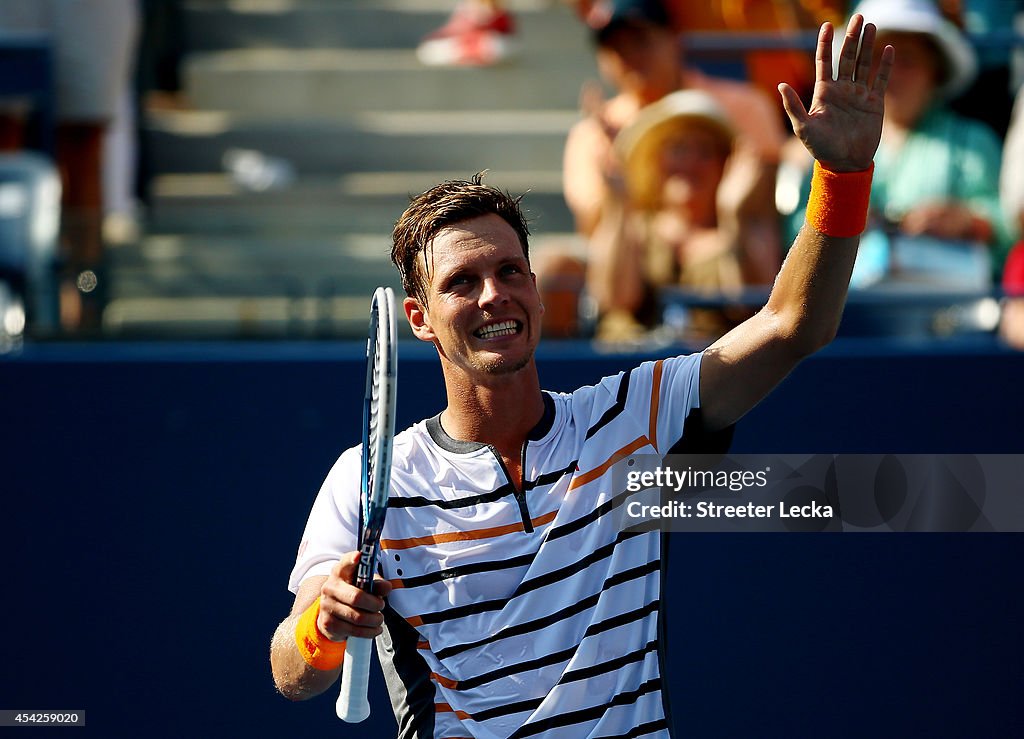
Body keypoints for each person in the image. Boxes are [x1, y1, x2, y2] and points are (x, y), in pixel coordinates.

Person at [270, 15, 893, 737]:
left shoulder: (634, 415)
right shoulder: (366, 477)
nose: (493, 295)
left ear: (537, 289)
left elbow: (794, 324)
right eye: (462, 283)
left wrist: (842, 175)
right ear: (419, 317)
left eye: (510, 272)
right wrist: (324, 621)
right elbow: (291, 670)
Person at [783, 0, 1012, 287]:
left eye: (907, 61)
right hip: (846, 310)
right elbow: (794, 231)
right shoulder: (830, 141)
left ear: (935, 72)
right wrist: (843, 211)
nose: (890, 74)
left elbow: (1010, 228)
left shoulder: (972, 140)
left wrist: (967, 221)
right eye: (876, 58)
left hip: (946, 317)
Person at [587, 90, 781, 340]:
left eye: (704, 151)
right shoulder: (635, 224)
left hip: (711, 373)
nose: (690, 162)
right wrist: (620, 203)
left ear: (726, 164)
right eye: (678, 149)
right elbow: (615, 298)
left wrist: (732, 213)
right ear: (656, 161)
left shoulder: (745, 227)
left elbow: (753, 310)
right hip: (628, 369)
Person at [416, 0, 517, 67]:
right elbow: (455, 29)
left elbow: (503, 29)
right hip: (464, 45)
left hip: (492, 46)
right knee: (430, 50)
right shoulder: (467, 8)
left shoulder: (499, 13)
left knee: (495, 46)